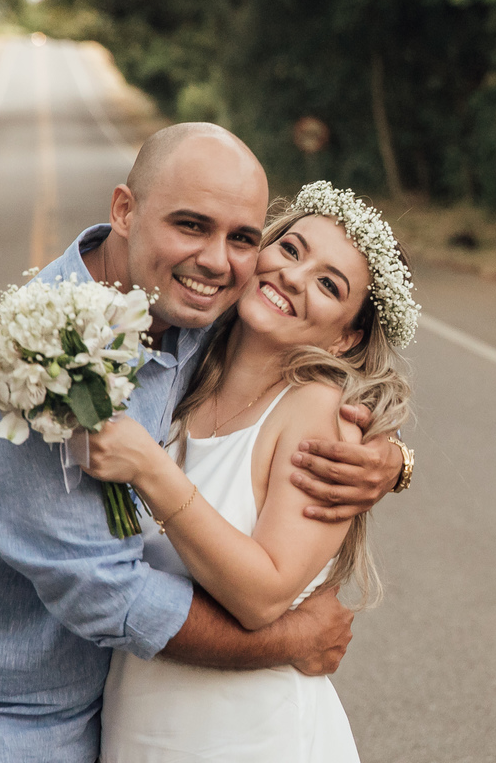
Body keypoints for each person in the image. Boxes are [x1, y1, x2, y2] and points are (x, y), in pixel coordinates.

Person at [0, 124, 413, 763]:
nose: (217, 261)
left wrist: (392, 460)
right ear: (124, 210)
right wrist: (287, 639)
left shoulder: (193, 318)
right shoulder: (32, 365)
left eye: (242, 237)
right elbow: (110, 595)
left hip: (111, 723)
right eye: (191, 225)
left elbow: (297, 372)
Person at [79, 181, 418, 761]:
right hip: (139, 723)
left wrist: (150, 470)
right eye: (291, 250)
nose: (293, 276)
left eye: (328, 284)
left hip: (248, 736)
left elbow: (262, 596)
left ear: (346, 336)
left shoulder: (317, 414)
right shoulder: (179, 371)